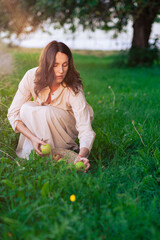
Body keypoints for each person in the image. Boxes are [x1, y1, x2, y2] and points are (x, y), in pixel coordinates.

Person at [7, 40, 96, 172]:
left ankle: (61, 151)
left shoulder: (73, 87)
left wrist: (82, 155)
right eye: (55, 65)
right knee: (26, 108)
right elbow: (13, 113)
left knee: (45, 111)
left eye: (65, 65)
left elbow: (85, 129)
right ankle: (39, 146)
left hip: (66, 130)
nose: (61, 71)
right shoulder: (31, 76)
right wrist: (32, 138)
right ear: (46, 64)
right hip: (40, 131)